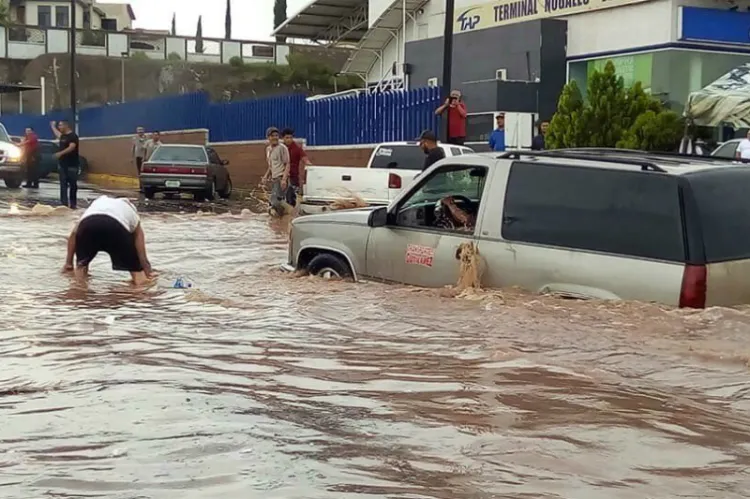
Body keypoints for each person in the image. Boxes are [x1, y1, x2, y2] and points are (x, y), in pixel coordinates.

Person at [62, 195, 153, 285]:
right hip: (115, 226)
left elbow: (74, 234)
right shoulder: (132, 213)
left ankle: (79, 296)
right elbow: (141, 251)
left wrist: (68, 263)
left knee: (81, 269)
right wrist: (146, 270)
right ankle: (142, 295)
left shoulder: (98, 203)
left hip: (88, 224)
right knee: (139, 278)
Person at [50, 120, 80, 209]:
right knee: (63, 185)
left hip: (72, 164)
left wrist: (60, 153)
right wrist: (52, 126)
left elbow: (72, 147)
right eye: (59, 126)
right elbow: (58, 135)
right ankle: (64, 204)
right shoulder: (63, 136)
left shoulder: (73, 136)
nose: (59, 127)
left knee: (72, 185)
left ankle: (73, 204)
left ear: (66, 126)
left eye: (60, 125)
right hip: (63, 165)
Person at [262, 127, 290, 216]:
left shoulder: (282, 148)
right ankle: (281, 221)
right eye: (272, 136)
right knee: (275, 203)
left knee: (274, 201)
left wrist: (284, 179)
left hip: (281, 177)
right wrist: (266, 176)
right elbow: (271, 166)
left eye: (276, 135)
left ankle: (289, 212)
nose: (275, 138)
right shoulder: (268, 149)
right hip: (274, 179)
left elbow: (287, 164)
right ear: (268, 137)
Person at [281, 128, 311, 206]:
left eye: (291, 138)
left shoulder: (297, 148)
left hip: (293, 178)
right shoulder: (280, 148)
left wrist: (309, 164)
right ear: (283, 138)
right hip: (280, 177)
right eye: (287, 138)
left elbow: (304, 158)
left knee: (292, 200)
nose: (289, 140)